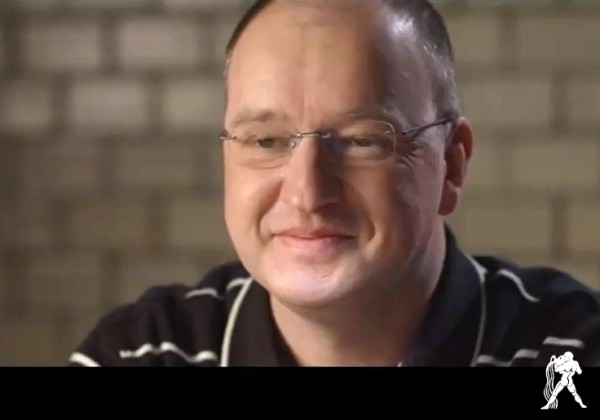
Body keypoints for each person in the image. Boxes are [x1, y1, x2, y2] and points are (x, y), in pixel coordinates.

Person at [68, 0, 600, 367]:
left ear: (452, 164)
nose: (306, 193)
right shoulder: (145, 353)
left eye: (362, 141)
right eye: (266, 141)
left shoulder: (571, 357)